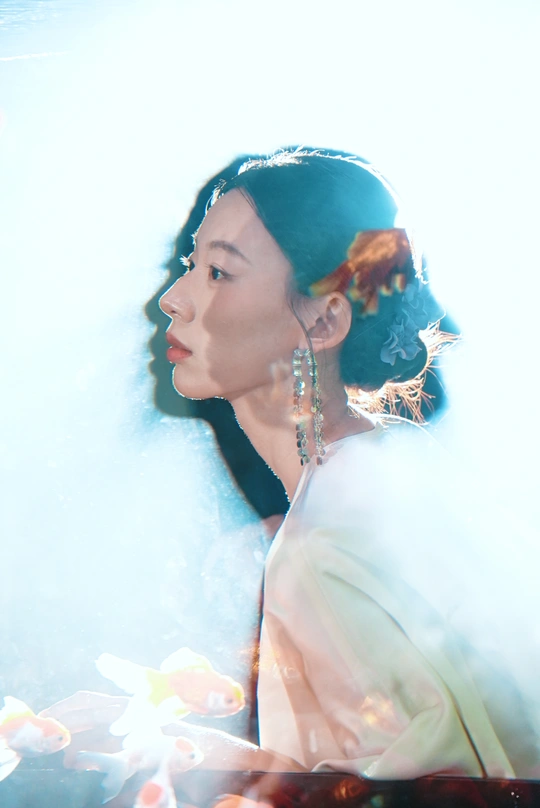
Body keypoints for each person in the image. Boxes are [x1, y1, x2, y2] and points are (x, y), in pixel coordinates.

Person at [44, 148, 539, 787]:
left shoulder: (323, 544)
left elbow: (420, 792)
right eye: (192, 265)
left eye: (219, 272)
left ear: (325, 318)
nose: (173, 300)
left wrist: (203, 767)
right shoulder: (397, 466)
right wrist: (186, 745)